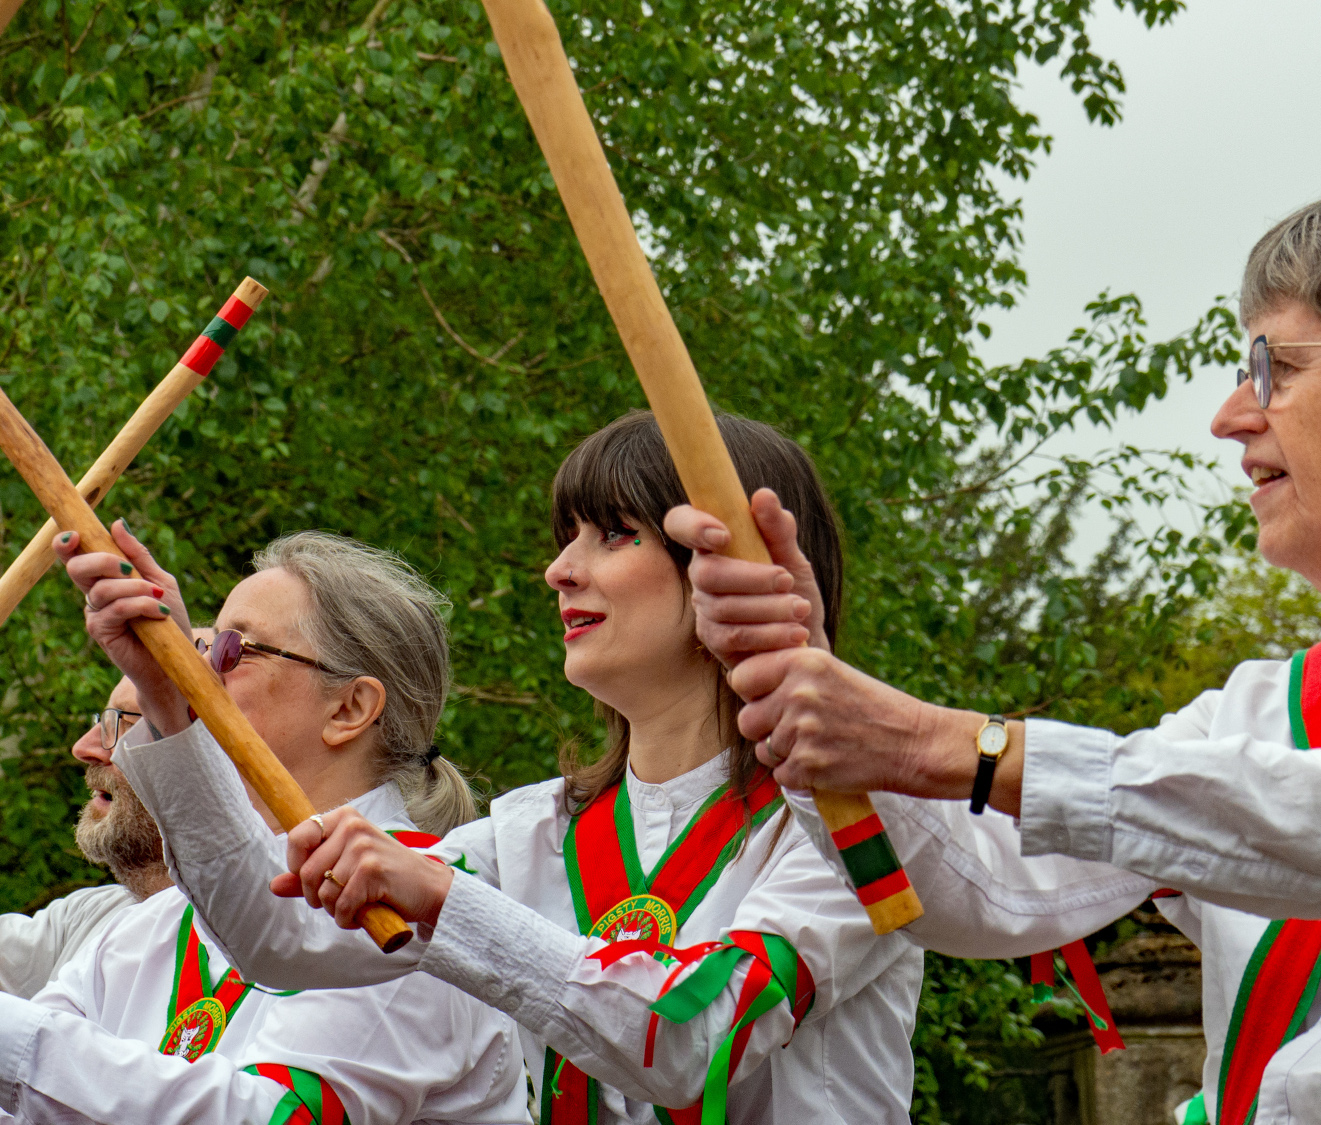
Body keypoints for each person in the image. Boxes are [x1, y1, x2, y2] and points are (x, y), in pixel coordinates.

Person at [664, 189, 1321, 1125]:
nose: (1230, 417)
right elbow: (990, 891)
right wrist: (810, 690)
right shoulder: (1262, 709)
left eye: (1276, 367)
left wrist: (939, 742)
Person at [93, 412, 936, 1125]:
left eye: (614, 534)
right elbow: (276, 939)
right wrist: (171, 702)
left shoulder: (850, 816)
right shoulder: (535, 831)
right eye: (565, 537)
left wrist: (449, 907)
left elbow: (695, 1036)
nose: (559, 569)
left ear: (740, 568)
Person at [0, 529, 531, 1125]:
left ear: (349, 709)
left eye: (233, 649)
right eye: (199, 647)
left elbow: (268, 1116)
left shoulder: (417, 914)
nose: (196, 673)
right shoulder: (151, 925)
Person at [0, 673, 169, 999]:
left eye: (127, 725)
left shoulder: (278, 945)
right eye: (103, 720)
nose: (83, 747)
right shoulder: (90, 916)